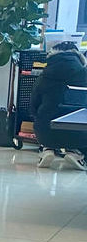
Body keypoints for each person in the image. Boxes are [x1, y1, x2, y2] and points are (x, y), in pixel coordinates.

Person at [32, 40, 87, 170]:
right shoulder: (85, 75)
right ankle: (74, 152)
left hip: (46, 131)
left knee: (44, 116)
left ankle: (47, 148)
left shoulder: (43, 76)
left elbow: (33, 106)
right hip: (79, 133)